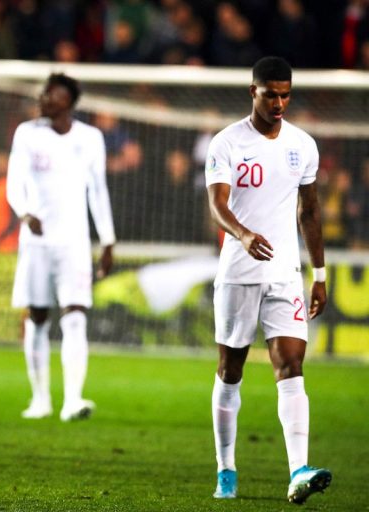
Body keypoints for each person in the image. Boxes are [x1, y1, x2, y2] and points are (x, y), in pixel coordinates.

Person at [205, 56, 331, 504]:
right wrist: (241, 234)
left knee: (291, 365)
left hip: (284, 275)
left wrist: (320, 273)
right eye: (270, 94)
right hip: (239, 275)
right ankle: (226, 470)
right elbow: (217, 204)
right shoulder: (227, 143)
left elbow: (310, 211)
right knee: (231, 370)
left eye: (285, 94)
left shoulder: (303, 145)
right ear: (252, 92)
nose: (279, 103)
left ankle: (298, 469)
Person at [6, 73, 115, 422]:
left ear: (68, 100)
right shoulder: (27, 134)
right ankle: (40, 399)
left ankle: (72, 400)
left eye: (52, 93)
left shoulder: (90, 138)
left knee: (76, 316)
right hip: (36, 242)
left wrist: (108, 239)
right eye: (44, 93)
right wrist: (24, 213)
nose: (44, 98)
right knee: (37, 318)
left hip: (74, 243)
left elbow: (97, 190)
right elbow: (13, 182)